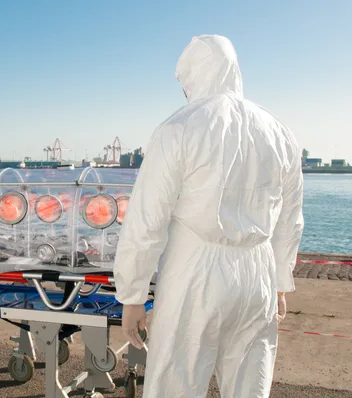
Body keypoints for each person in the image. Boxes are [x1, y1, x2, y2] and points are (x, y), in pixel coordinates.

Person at [113, 34, 304, 398]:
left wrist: (133, 294)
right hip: (258, 275)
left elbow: (146, 220)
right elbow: (290, 219)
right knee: (250, 385)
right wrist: (281, 282)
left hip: (196, 272)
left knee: (176, 383)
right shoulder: (280, 132)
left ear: (194, 76)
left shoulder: (178, 127)